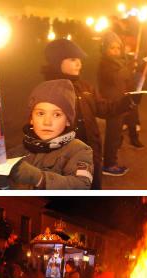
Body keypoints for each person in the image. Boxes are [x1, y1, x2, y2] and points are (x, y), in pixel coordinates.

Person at [42, 38, 139, 189]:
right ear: (57, 62)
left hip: (91, 155)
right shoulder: (48, 92)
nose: (79, 64)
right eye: (73, 59)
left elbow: (104, 108)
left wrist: (128, 102)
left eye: (79, 59)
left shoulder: (84, 87)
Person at [0, 79, 94, 189]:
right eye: (40, 113)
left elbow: (81, 185)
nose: (47, 122)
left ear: (68, 120)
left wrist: (40, 178)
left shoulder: (79, 150)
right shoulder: (15, 153)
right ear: (31, 118)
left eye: (57, 115)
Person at [98, 31, 132, 177]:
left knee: (116, 134)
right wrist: (127, 67)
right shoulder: (105, 64)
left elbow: (127, 79)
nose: (116, 51)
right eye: (112, 48)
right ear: (105, 49)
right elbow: (115, 78)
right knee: (113, 135)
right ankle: (109, 165)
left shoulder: (119, 63)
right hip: (113, 104)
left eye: (118, 48)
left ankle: (108, 158)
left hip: (120, 102)